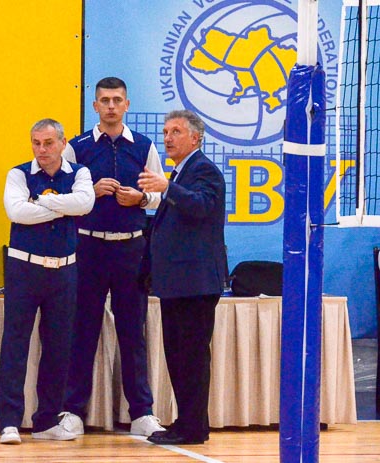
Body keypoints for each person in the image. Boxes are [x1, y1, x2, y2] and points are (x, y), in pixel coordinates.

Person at [59, 77, 165, 437]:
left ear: (127, 104)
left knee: (133, 331)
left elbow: (160, 196)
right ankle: (73, 411)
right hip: (88, 247)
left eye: (117, 100)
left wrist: (140, 199)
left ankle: (142, 413)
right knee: (82, 329)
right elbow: (61, 196)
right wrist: (91, 193)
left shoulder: (145, 147)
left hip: (132, 248)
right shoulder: (78, 147)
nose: (110, 106)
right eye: (104, 100)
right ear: (95, 106)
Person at [0, 118, 94, 445]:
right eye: (36, 143)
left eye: (48, 143)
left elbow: (85, 203)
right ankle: (9, 421)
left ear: (63, 143)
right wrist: (63, 208)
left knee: (58, 347)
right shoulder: (18, 174)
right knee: (15, 345)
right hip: (24, 269)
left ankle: (46, 420)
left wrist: (42, 201)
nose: (42, 150)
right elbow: (16, 212)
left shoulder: (79, 173)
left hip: (65, 271)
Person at [137, 109, 226, 445]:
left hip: (196, 284)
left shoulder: (204, 171)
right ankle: (187, 423)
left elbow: (201, 206)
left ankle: (192, 428)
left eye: (176, 131)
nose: (168, 138)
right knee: (178, 356)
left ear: (195, 137)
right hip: (177, 284)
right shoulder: (180, 174)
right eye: (165, 132)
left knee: (190, 357)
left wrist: (167, 187)